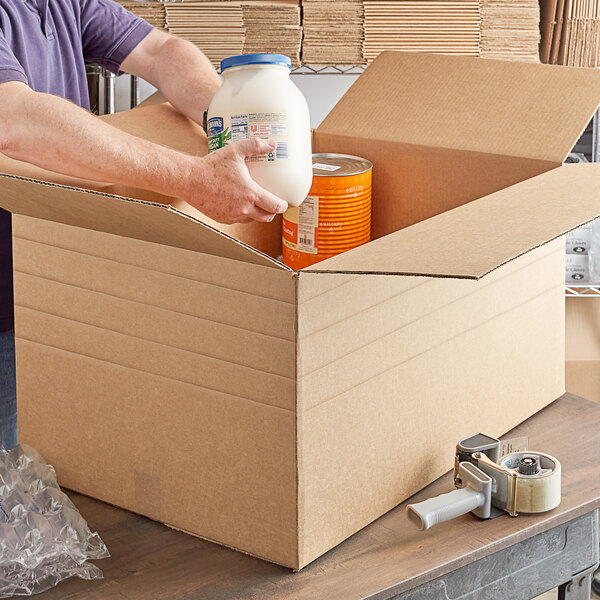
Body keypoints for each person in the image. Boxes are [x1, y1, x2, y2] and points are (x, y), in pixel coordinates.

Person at [0, 0, 289, 448]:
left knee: (54, 466)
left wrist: (228, 125)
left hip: (49, 279)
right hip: (5, 297)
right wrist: (195, 179)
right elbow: (15, 120)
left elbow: (161, 51)